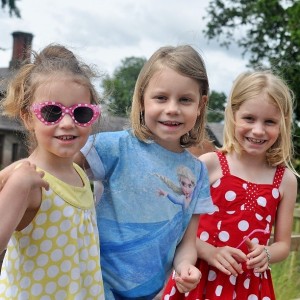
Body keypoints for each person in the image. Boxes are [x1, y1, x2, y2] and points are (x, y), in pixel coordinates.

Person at [74, 45, 215, 299]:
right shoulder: (114, 146)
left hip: (150, 293)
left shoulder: (198, 173)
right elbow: (56, 168)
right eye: (161, 98)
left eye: (185, 99)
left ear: (201, 105)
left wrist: (185, 266)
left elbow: (187, 243)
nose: (172, 108)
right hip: (93, 284)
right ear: (141, 99)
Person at [163, 70, 299, 299]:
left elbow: (283, 245)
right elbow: (174, 226)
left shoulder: (285, 180)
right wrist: (209, 252)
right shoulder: (208, 166)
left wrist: (266, 253)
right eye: (249, 118)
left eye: (269, 122)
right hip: (201, 278)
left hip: (250, 285)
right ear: (233, 115)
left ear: (283, 124)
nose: (258, 130)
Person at [0, 44, 105, 299]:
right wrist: (15, 183)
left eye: (81, 113)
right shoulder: (27, 181)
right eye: (51, 112)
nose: (68, 122)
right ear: (27, 117)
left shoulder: (80, 174)